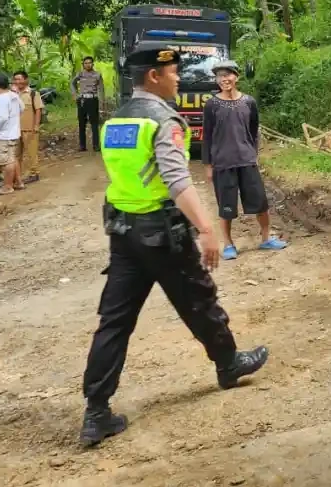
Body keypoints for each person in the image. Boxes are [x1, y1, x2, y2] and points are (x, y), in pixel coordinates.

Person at [81, 44, 268, 447]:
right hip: (162, 232)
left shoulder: (115, 119)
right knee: (199, 299)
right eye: (173, 73)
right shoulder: (163, 120)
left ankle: (96, 412)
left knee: (114, 321)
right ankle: (229, 363)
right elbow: (176, 179)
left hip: (123, 233)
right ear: (154, 75)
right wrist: (205, 229)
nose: (178, 78)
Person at [202, 60, 287, 260]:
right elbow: (207, 136)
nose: (224, 79)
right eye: (219, 76)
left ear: (236, 77)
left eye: (228, 74)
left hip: (247, 161)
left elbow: (253, 128)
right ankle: (229, 244)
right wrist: (208, 165)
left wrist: (252, 152)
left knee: (260, 202)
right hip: (223, 163)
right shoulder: (212, 104)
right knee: (226, 207)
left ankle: (266, 238)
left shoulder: (249, 102)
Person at [0, 74, 25, 196]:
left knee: (7, 162)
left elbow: (2, 118)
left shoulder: (1, 98)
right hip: (13, 133)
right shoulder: (13, 95)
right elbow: (22, 108)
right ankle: (18, 182)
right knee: (13, 158)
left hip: (4, 135)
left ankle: (7, 186)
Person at [12, 70, 44, 183]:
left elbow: (38, 110)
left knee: (32, 153)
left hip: (29, 129)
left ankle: (34, 173)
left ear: (26, 80)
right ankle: (16, 176)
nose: (17, 81)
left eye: (19, 79)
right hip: (14, 130)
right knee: (16, 154)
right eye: (15, 79)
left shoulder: (33, 93)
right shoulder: (12, 94)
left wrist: (36, 126)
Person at [71, 56, 105, 152]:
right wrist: (75, 94)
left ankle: (96, 145)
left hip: (93, 100)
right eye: (86, 63)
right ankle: (82, 145)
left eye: (89, 63)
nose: (88, 64)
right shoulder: (80, 74)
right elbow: (72, 83)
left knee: (94, 123)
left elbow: (101, 90)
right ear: (83, 65)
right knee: (82, 123)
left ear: (93, 64)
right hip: (82, 100)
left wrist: (102, 102)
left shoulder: (97, 75)